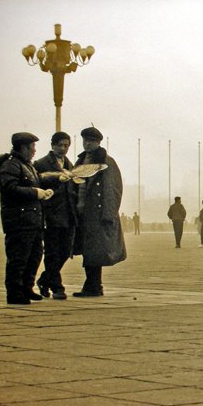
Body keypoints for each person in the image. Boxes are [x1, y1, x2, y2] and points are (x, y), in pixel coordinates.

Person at [0, 132, 54, 304]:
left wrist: (53, 180)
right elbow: (10, 188)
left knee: (34, 256)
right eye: (32, 147)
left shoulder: (28, 166)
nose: (34, 151)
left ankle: (27, 288)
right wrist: (35, 192)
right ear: (24, 147)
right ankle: (14, 293)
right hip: (19, 221)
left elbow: (39, 180)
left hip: (33, 221)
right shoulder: (10, 165)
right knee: (18, 258)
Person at [72, 127, 127, 297]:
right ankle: (92, 285)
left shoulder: (106, 163)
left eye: (91, 141)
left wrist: (109, 214)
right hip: (81, 213)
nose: (87, 144)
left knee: (94, 251)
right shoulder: (80, 162)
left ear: (98, 143)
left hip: (96, 214)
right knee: (88, 250)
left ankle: (93, 286)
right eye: (85, 141)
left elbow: (113, 189)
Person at [33, 131, 77, 300]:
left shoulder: (70, 164)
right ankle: (57, 287)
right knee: (52, 252)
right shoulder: (42, 163)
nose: (63, 148)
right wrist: (56, 178)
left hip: (68, 215)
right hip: (51, 214)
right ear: (53, 145)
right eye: (60, 145)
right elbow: (38, 181)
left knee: (66, 251)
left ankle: (45, 279)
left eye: (66, 145)